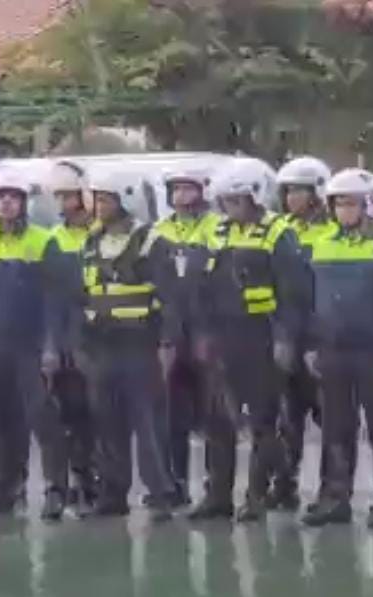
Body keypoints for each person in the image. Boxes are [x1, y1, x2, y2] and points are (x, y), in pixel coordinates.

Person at [190, 157, 311, 523]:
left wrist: (284, 339)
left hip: (262, 336)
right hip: (223, 337)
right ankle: (217, 495)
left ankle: (258, 494)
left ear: (257, 198)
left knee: (262, 421)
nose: (231, 207)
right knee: (218, 421)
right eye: (226, 200)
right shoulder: (217, 233)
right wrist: (204, 334)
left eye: (238, 200)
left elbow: (294, 293)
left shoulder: (278, 234)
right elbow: (201, 288)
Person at [300, 168, 373, 529]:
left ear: (370, 205)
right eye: (337, 203)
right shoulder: (319, 242)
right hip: (332, 350)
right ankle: (335, 498)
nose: (343, 210)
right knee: (335, 427)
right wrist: (309, 343)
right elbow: (307, 297)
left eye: (350, 203)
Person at [69, 168, 178, 522]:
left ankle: (160, 495)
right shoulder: (91, 242)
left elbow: (170, 298)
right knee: (107, 424)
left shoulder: (151, 243)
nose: (98, 206)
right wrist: (81, 344)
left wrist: (167, 343)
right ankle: (112, 495)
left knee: (147, 426)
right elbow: (82, 296)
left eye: (105, 199)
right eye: (95, 198)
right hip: (102, 347)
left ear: (126, 200)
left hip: (140, 346)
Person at [0, 169, 64, 517]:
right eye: (0, 198)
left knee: (42, 417)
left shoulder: (43, 241)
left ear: (23, 203)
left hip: (31, 345)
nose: (7, 203)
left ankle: (55, 489)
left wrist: (51, 347)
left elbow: (54, 298)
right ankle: (2, 488)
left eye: (14, 197)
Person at [150, 165, 224, 508]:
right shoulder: (158, 232)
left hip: (208, 333)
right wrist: (163, 338)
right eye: (176, 189)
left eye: (188, 189)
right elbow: (153, 283)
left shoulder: (217, 228)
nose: (181, 196)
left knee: (213, 414)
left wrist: (209, 332)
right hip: (171, 333)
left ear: (202, 192)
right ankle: (174, 485)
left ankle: (214, 489)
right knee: (171, 415)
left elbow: (220, 282)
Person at [270, 156, 336, 512]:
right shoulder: (282, 230)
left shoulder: (332, 231)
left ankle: (330, 489)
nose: (291, 198)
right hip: (287, 333)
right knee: (287, 417)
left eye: (298, 191)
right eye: (287, 192)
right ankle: (284, 484)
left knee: (330, 419)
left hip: (321, 335)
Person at [44, 161, 100, 516]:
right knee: (62, 418)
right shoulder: (54, 239)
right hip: (63, 343)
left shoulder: (101, 236)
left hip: (97, 341)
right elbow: (49, 298)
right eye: (60, 196)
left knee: (95, 418)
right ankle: (62, 486)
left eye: (69, 195)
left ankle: (92, 484)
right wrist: (51, 345)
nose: (63, 202)